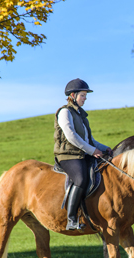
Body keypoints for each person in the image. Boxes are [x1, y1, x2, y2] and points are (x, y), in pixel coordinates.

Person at [54, 78, 112, 230]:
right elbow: (71, 136)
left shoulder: (80, 115)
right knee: (80, 179)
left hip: (82, 154)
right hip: (68, 155)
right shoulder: (64, 112)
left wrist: (106, 149)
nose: (85, 99)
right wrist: (93, 151)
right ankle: (71, 219)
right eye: (83, 95)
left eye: (86, 96)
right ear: (73, 95)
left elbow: (89, 140)